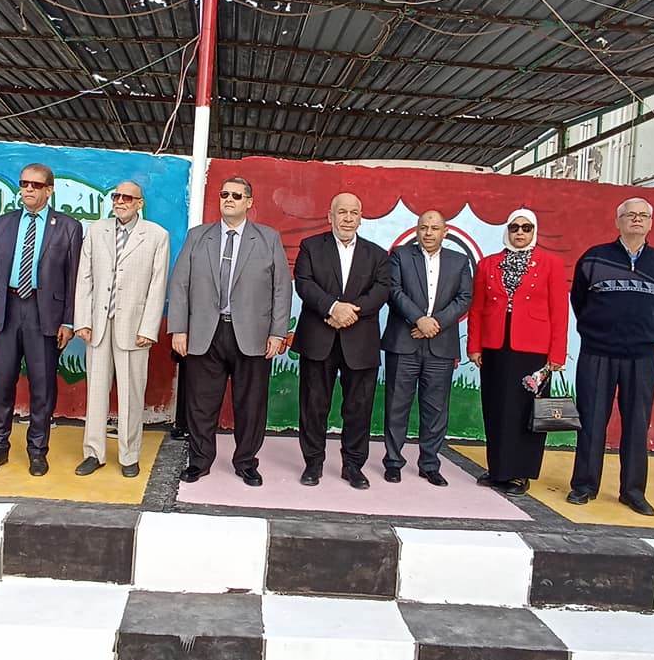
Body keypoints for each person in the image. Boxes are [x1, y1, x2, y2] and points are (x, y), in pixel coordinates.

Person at [169, 176, 291, 486]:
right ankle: (199, 461)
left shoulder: (268, 238)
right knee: (201, 403)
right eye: (225, 194)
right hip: (204, 333)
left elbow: (281, 288)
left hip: (252, 335)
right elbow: (180, 283)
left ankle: (246, 462)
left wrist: (277, 333)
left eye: (237, 195)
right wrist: (179, 329)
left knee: (250, 404)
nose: (229, 199)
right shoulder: (198, 237)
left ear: (249, 202)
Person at [567, 198, 654, 516]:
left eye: (643, 215)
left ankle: (632, 491)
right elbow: (579, 301)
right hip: (598, 353)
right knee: (591, 420)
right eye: (630, 215)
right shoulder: (594, 258)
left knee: (637, 424)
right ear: (618, 221)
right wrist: (598, 330)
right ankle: (584, 485)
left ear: (650, 223)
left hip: (641, 357)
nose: (637, 220)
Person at [0, 163, 83, 477]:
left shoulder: (68, 226)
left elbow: (73, 278)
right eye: (24, 184)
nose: (28, 190)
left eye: (35, 185)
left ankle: (37, 451)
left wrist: (68, 322)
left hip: (44, 313)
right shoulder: (2, 224)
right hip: (7, 309)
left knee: (42, 387)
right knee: (2, 384)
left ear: (49, 189)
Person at [292, 193, 390, 489]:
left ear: (361, 217)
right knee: (313, 405)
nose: (348, 218)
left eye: (353, 212)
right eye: (342, 212)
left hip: (360, 342)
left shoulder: (377, 254)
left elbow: (382, 290)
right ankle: (313, 463)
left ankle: (353, 466)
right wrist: (333, 308)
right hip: (318, 338)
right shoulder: (311, 247)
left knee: (358, 408)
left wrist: (349, 312)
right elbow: (304, 283)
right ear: (330, 216)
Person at [467, 209, 568, 496]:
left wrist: (557, 354)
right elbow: (477, 308)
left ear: (534, 231)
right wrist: (474, 345)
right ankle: (498, 469)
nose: (520, 233)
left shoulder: (550, 264)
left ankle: (521, 473)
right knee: (496, 407)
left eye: (526, 228)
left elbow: (560, 311)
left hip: (534, 350)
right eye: (515, 227)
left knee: (526, 411)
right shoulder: (488, 264)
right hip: (495, 347)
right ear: (507, 231)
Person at [73, 181, 170, 478]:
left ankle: (129, 455)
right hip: (98, 325)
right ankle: (94, 453)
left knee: (131, 395)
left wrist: (149, 328)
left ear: (140, 203)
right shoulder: (96, 230)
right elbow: (84, 277)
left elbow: (158, 284)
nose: (120, 201)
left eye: (128, 197)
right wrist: (83, 320)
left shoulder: (156, 235)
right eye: (117, 196)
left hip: (134, 327)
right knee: (96, 393)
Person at [382, 210, 472, 486]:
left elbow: (464, 297)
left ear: (445, 232)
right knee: (397, 405)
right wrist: (418, 319)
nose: (429, 233)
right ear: (417, 230)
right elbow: (393, 291)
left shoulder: (459, 261)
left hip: (441, 346)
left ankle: (430, 464)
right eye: (424, 227)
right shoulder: (400, 256)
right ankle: (393, 462)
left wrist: (435, 323)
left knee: (435, 409)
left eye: (434, 228)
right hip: (404, 342)